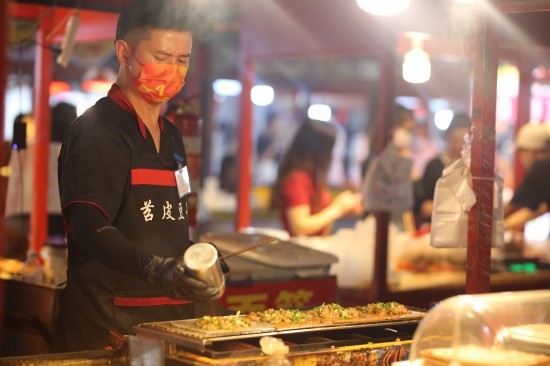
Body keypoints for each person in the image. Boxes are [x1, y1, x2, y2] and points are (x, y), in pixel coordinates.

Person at [50, 0, 227, 352]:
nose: (173, 70)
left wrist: (200, 259)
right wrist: (154, 268)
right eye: (161, 58)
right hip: (106, 330)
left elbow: (168, 229)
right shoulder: (95, 131)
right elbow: (89, 227)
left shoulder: (174, 137)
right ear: (124, 52)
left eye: (182, 60)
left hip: (172, 328)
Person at [4, 103, 76, 261]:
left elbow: (15, 148)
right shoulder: (75, 149)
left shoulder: (27, 146)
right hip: (61, 218)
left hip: (25, 212)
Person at [270, 118, 364, 237]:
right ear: (318, 150)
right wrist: (337, 208)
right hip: (301, 253)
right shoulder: (297, 179)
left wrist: (343, 209)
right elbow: (300, 227)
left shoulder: (312, 177)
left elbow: (321, 218)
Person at [414, 113, 471, 224]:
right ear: (448, 137)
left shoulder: (473, 168)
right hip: (437, 227)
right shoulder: (434, 165)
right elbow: (424, 205)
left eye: (464, 139)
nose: (460, 144)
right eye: (457, 139)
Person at [503, 122, 550, 230]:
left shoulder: (542, 167)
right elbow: (537, 210)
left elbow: (508, 209)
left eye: (522, 153)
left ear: (532, 151)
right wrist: (503, 226)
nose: (522, 159)